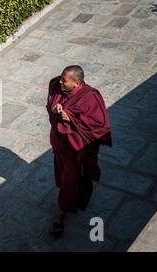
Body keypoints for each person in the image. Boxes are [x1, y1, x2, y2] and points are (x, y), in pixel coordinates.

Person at [46, 65, 112, 235]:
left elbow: (99, 125)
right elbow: (51, 103)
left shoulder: (90, 96)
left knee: (69, 180)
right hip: (59, 145)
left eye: (64, 80)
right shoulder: (57, 87)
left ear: (76, 84)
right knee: (63, 177)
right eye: (61, 77)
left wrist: (72, 118)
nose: (60, 81)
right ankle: (72, 197)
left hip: (75, 150)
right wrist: (56, 108)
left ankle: (61, 213)